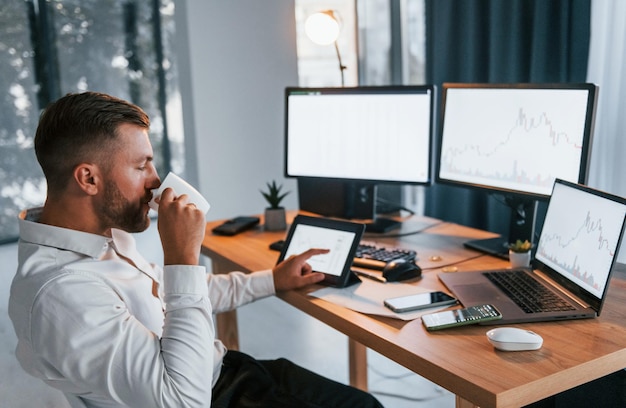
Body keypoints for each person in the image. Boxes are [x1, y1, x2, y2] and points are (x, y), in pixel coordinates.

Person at [9, 91, 383, 408]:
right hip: (208, 393)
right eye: (142, 166)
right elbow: (184, 400)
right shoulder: (62, 293)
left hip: (223, 368)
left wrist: (273, 279)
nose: (156, 182)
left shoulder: (101, 239)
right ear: (88, 178)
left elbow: (175, 295)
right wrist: (182, 256)